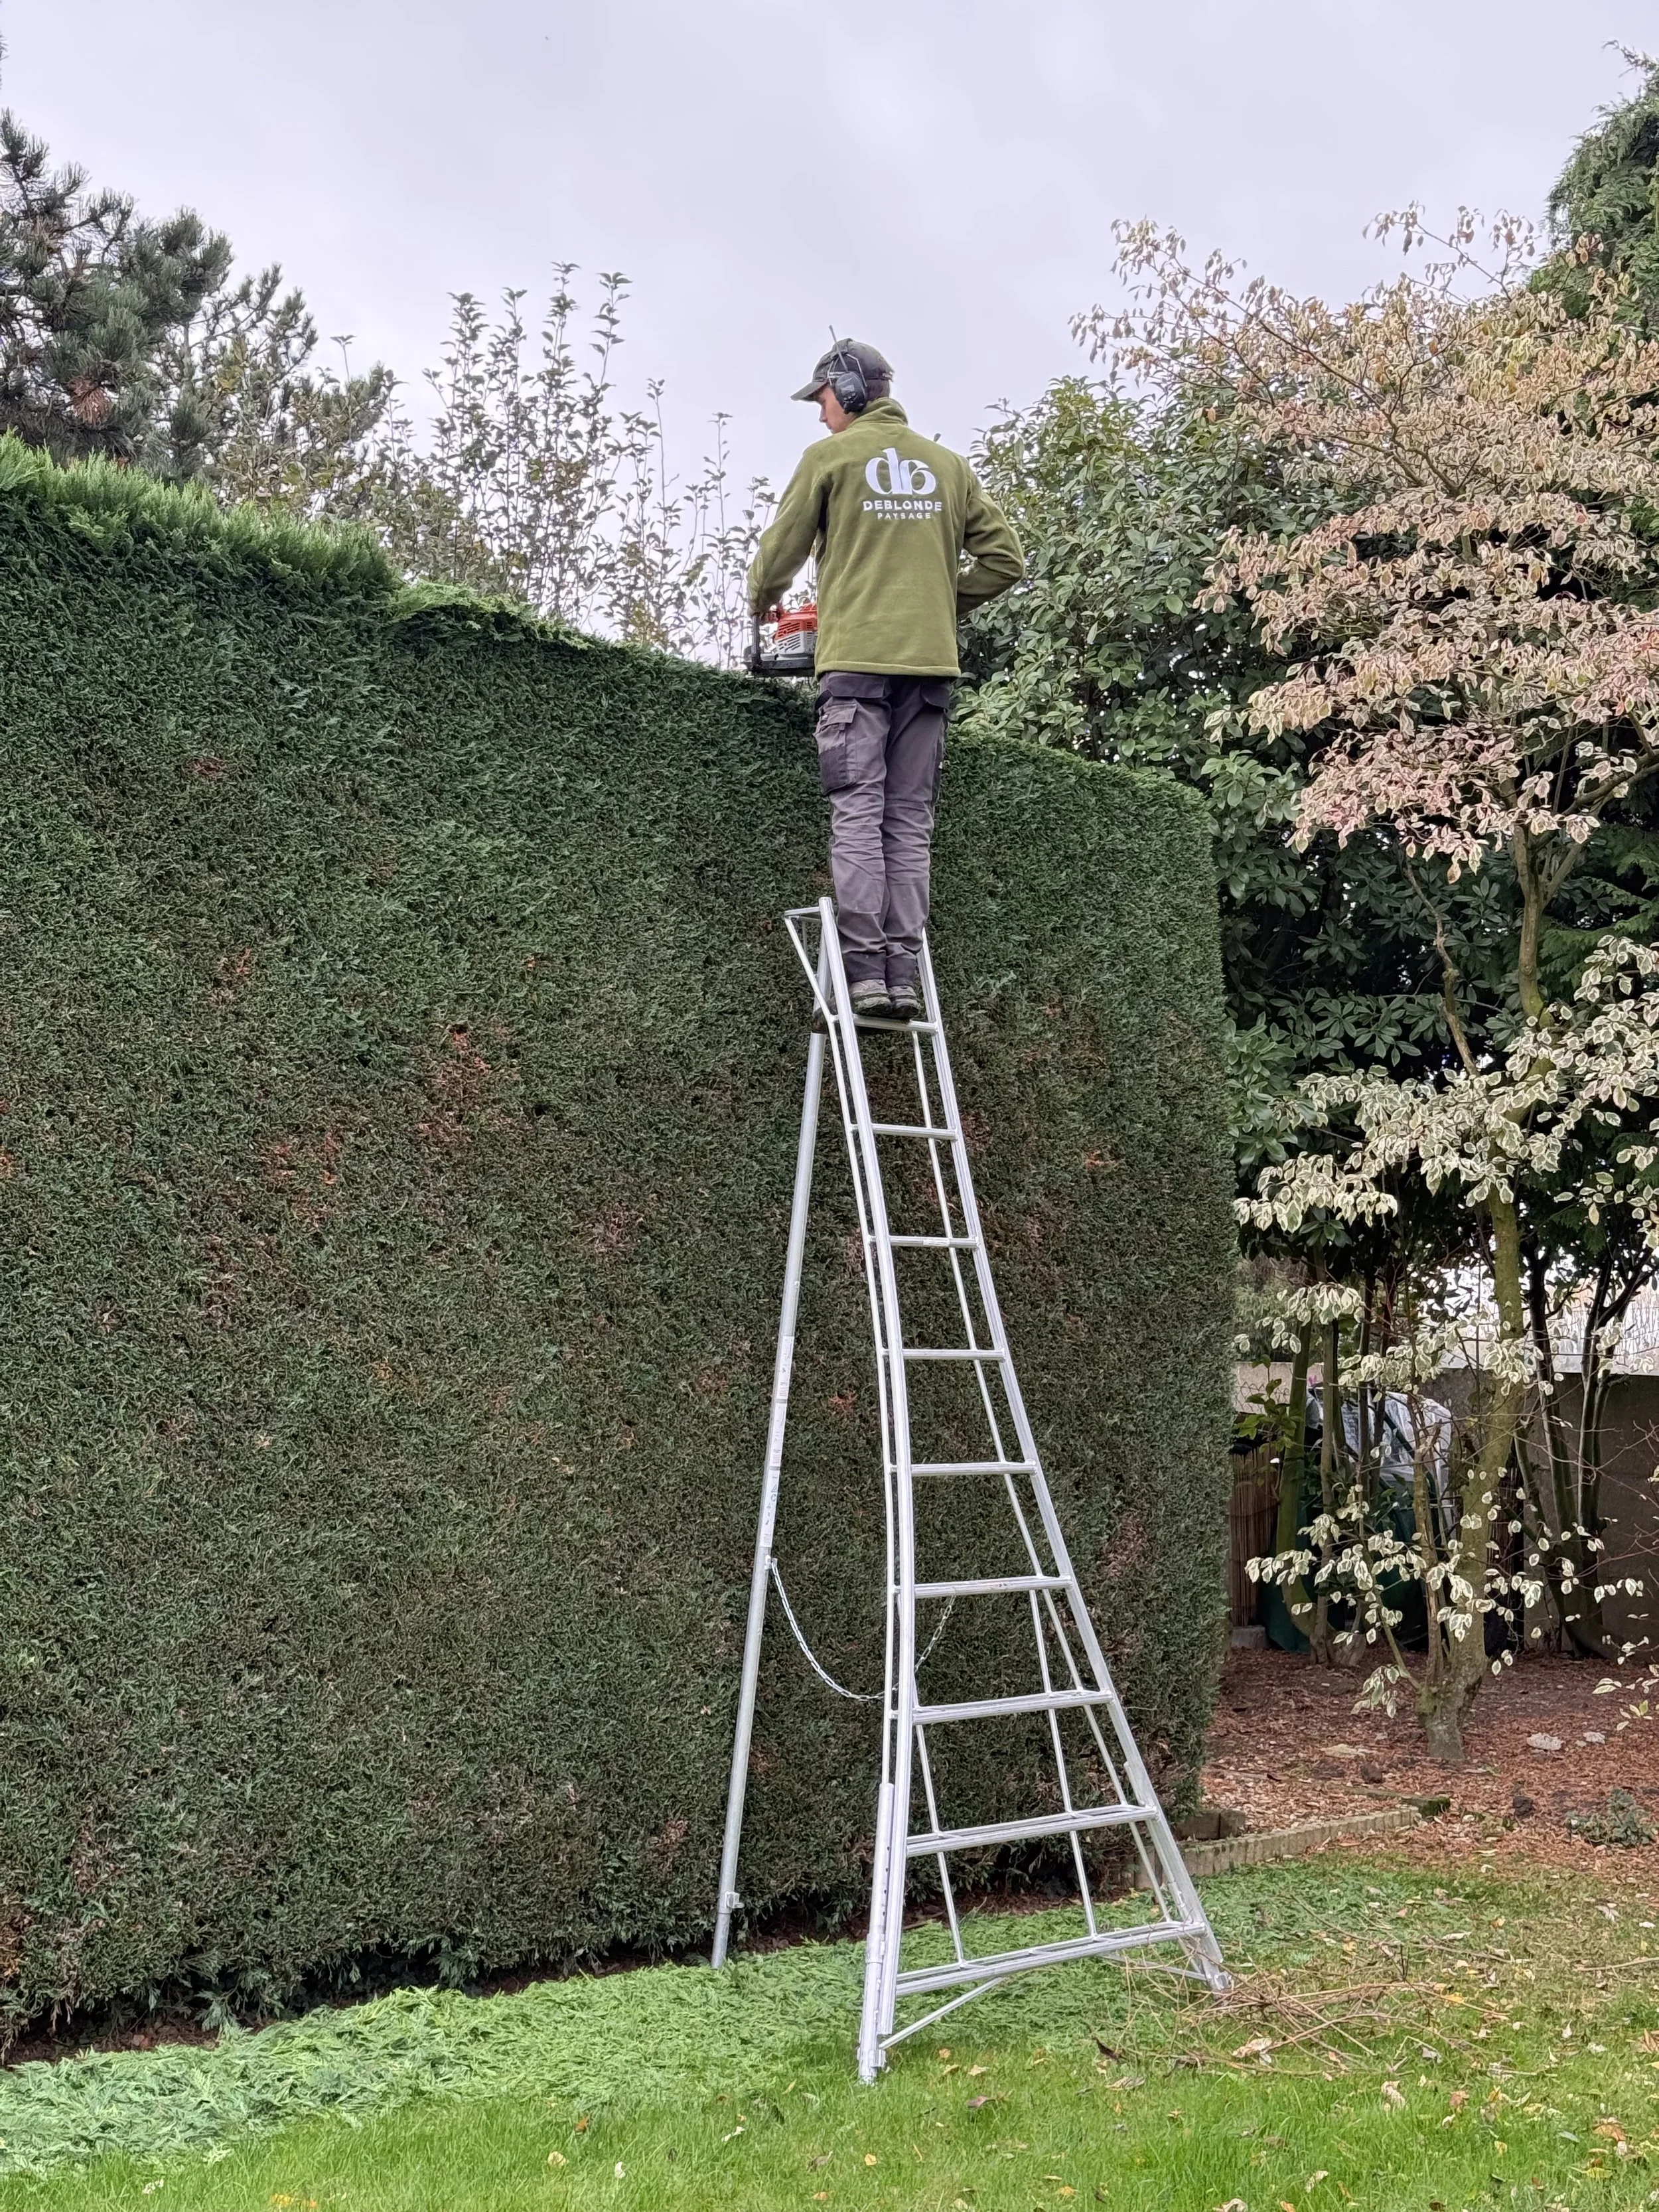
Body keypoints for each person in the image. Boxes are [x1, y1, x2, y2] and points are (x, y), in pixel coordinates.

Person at [748, 340, 1024, 1021]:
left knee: (857, 809)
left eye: (822, 401)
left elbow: (777, 554)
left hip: (857, 668)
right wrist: (936, 605)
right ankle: (902, 974)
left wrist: (761, 602)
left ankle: (864, 972)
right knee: (908, 821)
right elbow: (1005, 561)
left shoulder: (830, 460)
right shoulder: (948, 467)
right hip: (929, 672)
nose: (820, 417)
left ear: (847, 389)